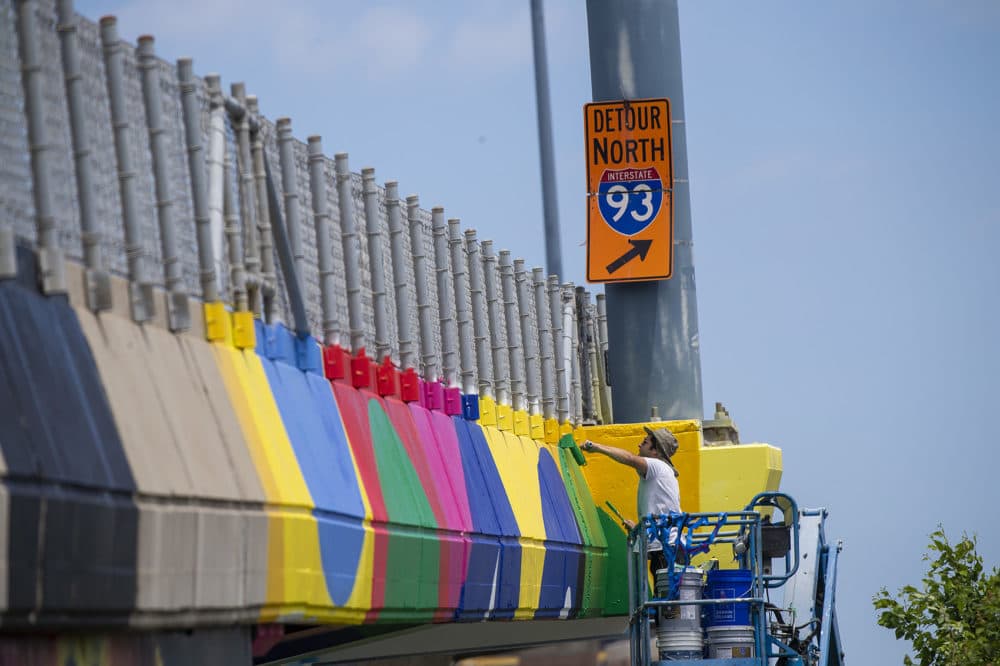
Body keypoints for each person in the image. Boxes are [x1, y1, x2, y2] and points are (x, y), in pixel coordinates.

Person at [581, 426, 682, 576]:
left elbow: (629, 459)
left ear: (656, 451)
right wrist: (638, 528)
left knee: (666, 596)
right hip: (667, 546)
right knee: (665, 595)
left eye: (645, 442)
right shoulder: (661, 471)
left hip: (665, 547)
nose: (639, 445)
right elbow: (660, 509)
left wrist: (595, 447)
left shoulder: (657, 466)